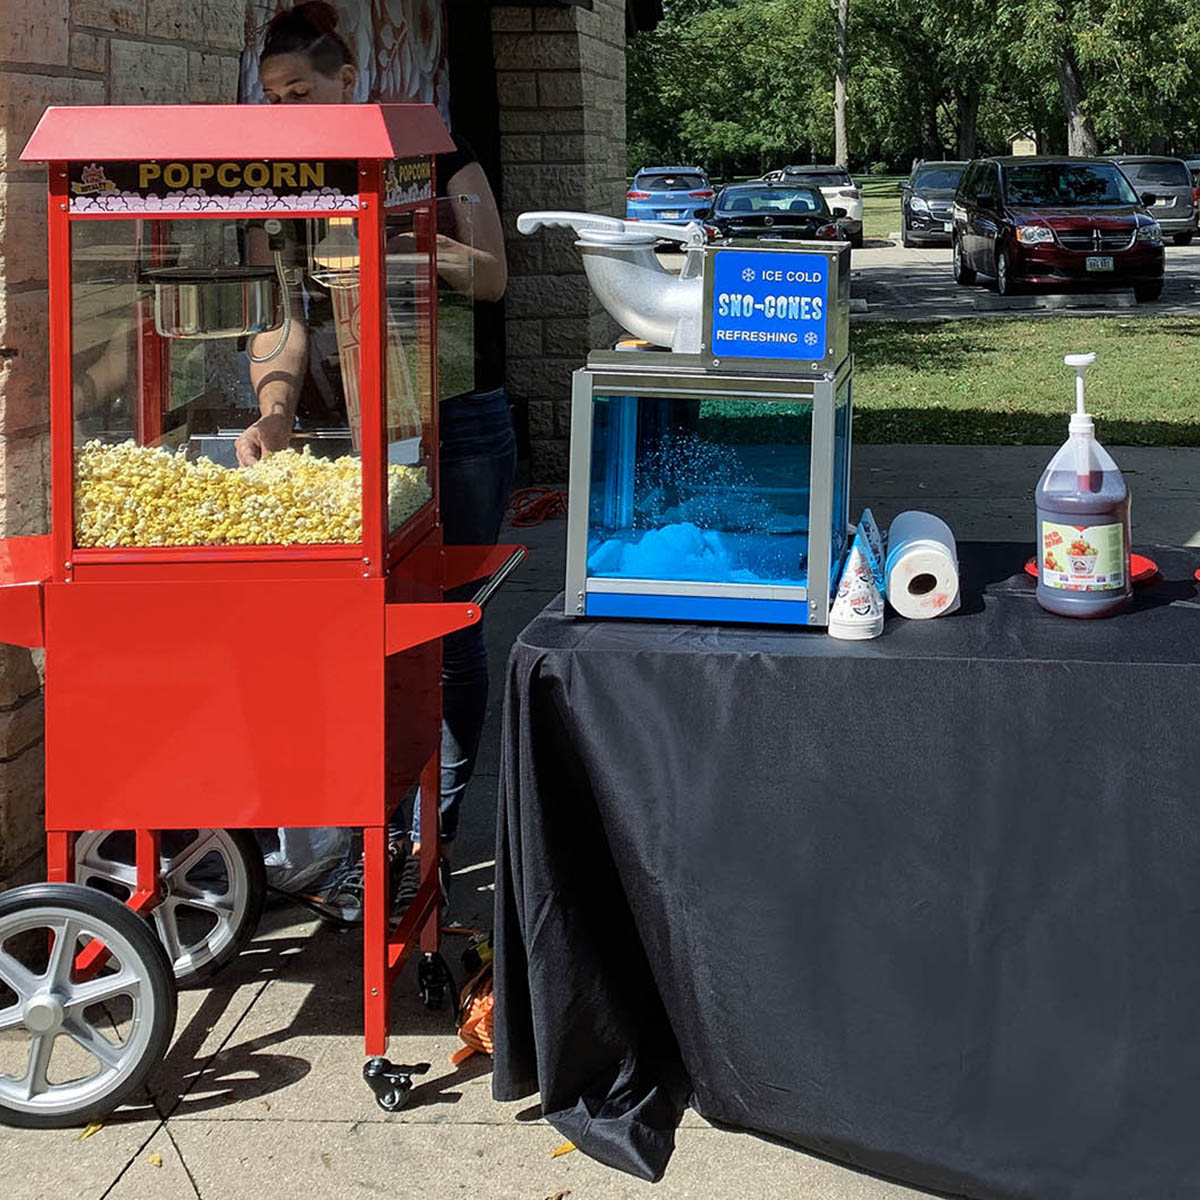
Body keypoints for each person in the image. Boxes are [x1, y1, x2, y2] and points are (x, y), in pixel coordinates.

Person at [248, 2, 516, 921]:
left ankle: (422, 835)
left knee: (446, 629)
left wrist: (400, 241)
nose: (287, 109)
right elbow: (279, 318)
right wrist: (276, 413)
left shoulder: (431, 147)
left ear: (349, 73)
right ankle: (373, 832)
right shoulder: (282, 183)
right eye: (274, 96)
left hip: (460, 418)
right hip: (356, 433)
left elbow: (491, 273)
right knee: (365, 627)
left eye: (302, 90)